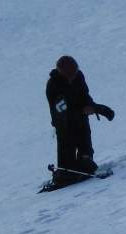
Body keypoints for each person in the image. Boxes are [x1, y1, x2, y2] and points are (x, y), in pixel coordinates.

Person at [45, 56, 114, 186]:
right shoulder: (53, 85)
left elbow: (85, 97)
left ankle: (85, 164)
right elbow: (60, 112)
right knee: (67, 160)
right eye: (69, 74)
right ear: (61, 72)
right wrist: (83, 110)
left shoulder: (78, 76)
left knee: (86, 150)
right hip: (63, 124)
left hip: (81, 119)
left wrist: (96, 108)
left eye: (74, 72)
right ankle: (65, 175)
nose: (72, 77)